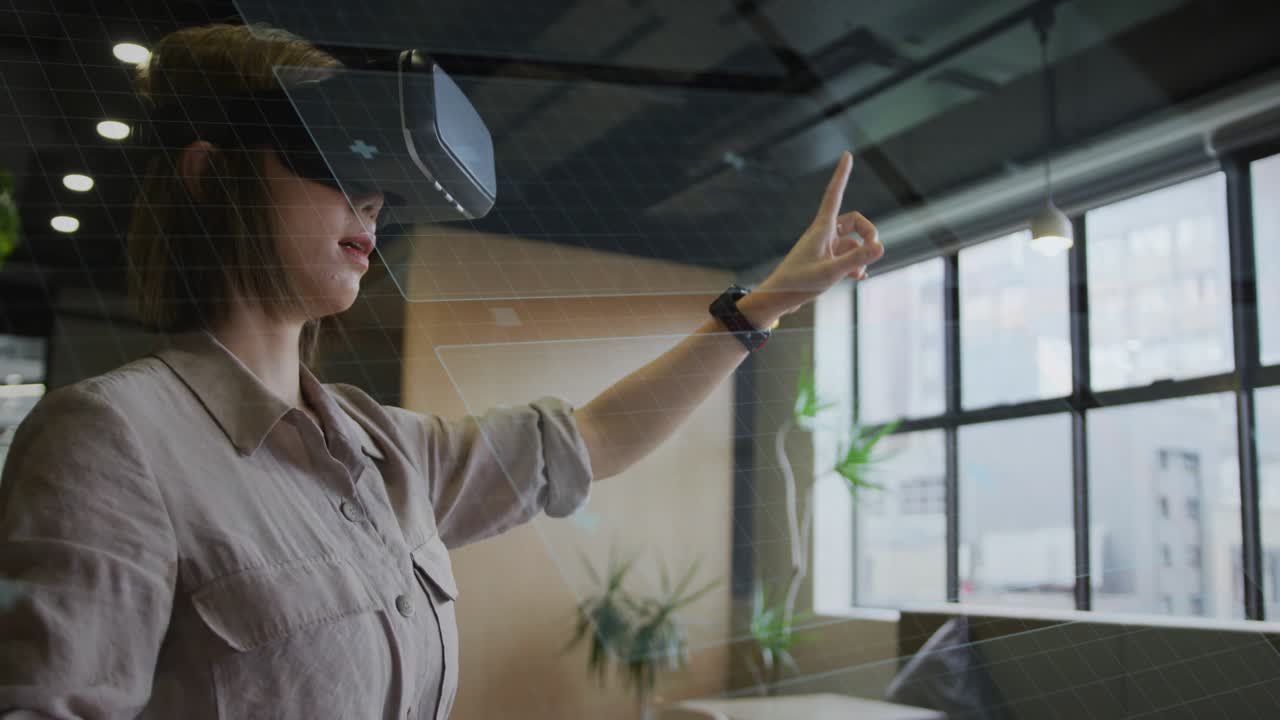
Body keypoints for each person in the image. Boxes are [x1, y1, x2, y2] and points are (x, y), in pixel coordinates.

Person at [0, 23, 883, 720]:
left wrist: (760, 307)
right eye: (326, 158)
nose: (370, 197)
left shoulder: (384, 448)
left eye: (373, 177)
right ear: (210, 173)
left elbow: (596, 438)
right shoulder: (111, 441)